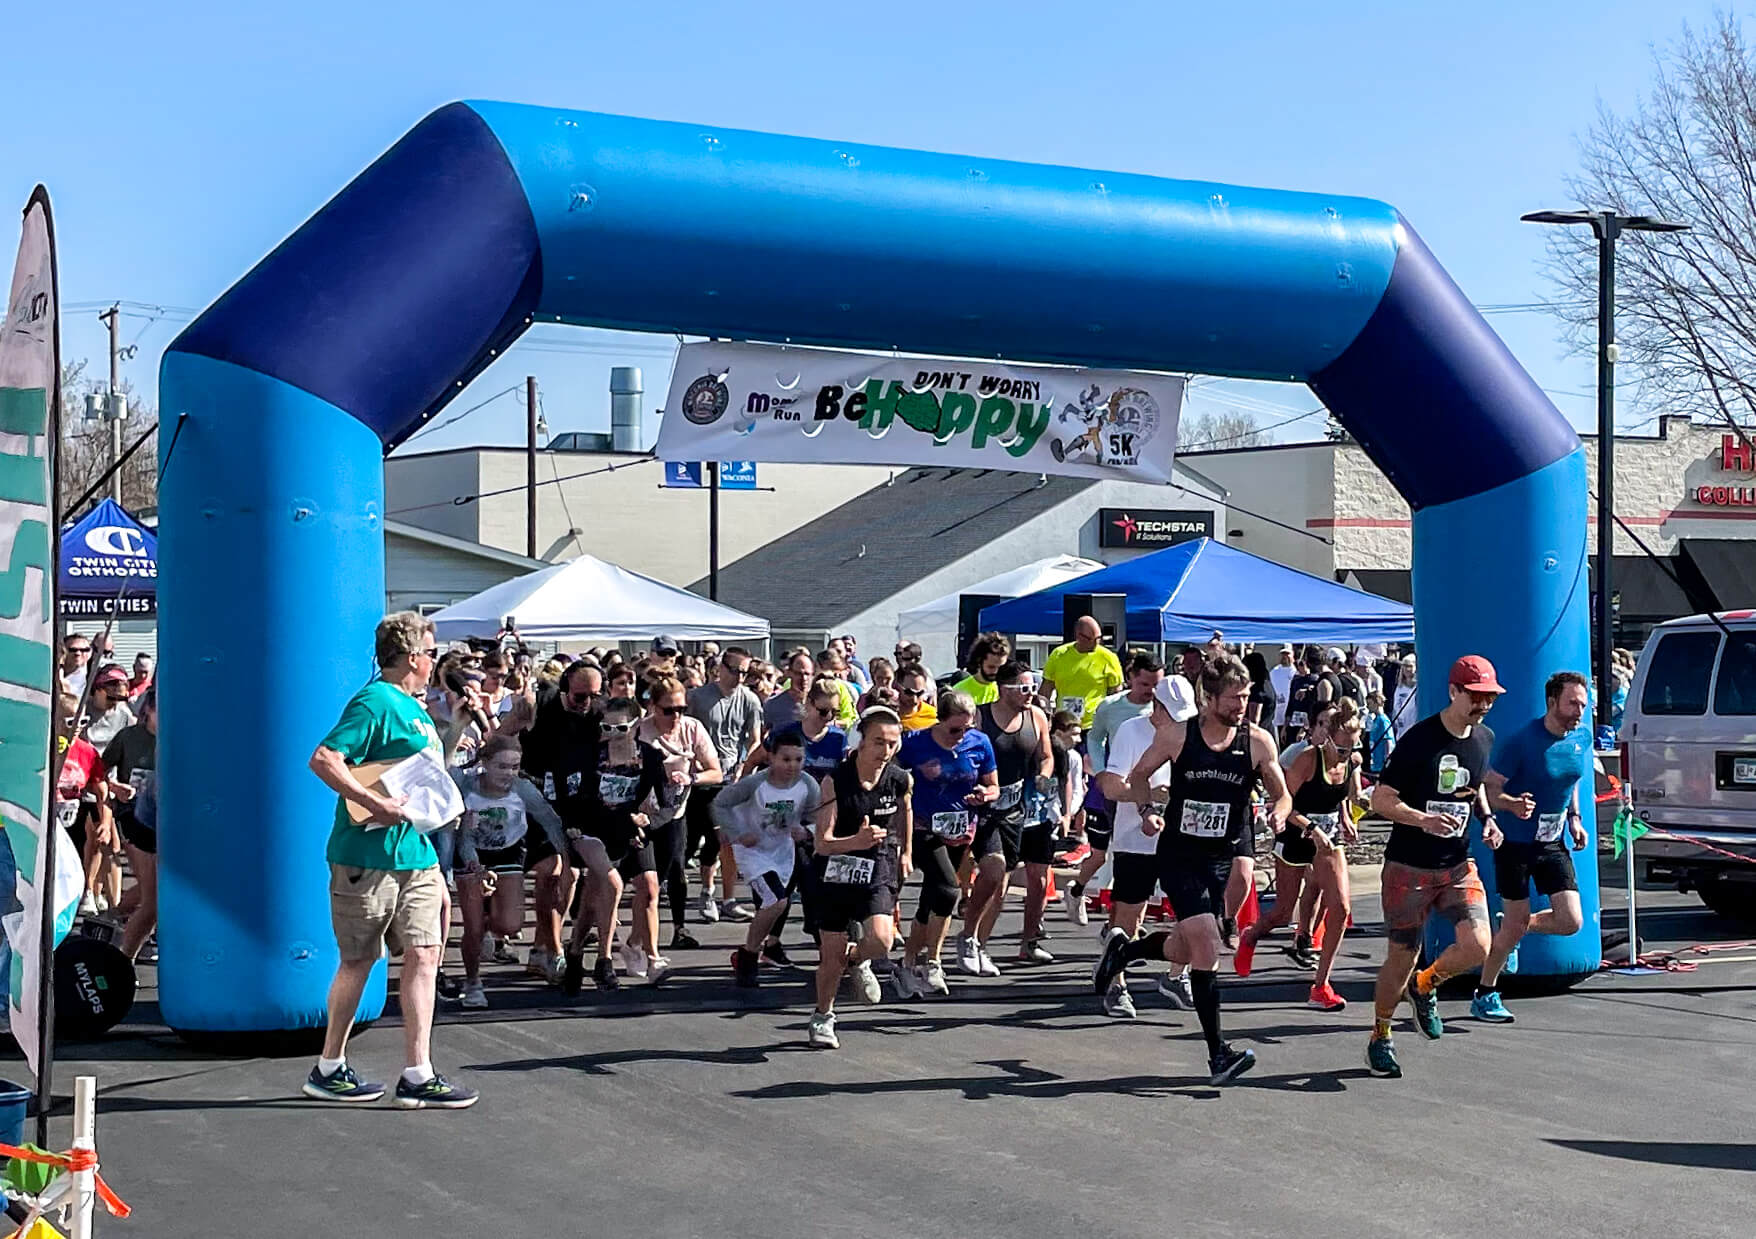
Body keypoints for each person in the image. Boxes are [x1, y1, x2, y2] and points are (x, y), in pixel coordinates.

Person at [303, 611, 476, 1108]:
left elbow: (417, 772)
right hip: (366, 855)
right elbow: (325, 757)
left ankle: (419, 1072)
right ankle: (329, 1065)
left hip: (414, 853)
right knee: (358, 960)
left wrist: (455, 731)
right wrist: (374, 802)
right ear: (414, 657)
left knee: (425, 954)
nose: (436, 663)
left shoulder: (414, 707)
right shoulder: (375, 700)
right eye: (431, 653)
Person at [1095, 655, 1291, 1085]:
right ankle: (1218, 1054)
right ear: (1208, 698)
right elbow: (1140, 773)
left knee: (1185, 949)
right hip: (1179, 854)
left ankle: (1124, 951)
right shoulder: (1177, 736)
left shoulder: (1257, 741)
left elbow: (1282, 792)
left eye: (1245, 697)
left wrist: (1279, 811)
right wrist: (1146, 810)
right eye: (1233, 698)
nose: (1241, 705)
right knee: (1206, 945)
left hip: (1219, 857)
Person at [1364, 655, 1506, 1080]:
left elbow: (1473, 787)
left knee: (1479, 946)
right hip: (1409, 869)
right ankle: (1380, 1035)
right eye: (1476, 697)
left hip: (1458, 865)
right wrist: (1422, 819)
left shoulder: (1484, 738)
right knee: (1399, 958)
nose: (1483, 706)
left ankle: (1426, 985)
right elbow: (1380, 800)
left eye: (1489, 698)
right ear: (1453, 692)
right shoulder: (1419, 741)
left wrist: (1489, 820)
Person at [1471, 671, 1591, 1024]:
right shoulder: (1521, 741)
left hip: (1552, 841)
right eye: (1572, 703)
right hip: (1516, 845)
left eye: (1583, 704)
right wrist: (1510, 805)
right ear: (1552, 702)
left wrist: (1575, 817)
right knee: (1512, 928)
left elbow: (1573, 780)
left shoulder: (1580, 737)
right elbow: (1489, 789)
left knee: (1571, 921)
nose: (1578, 711)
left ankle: (1516, 925)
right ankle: (1485, 993)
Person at [1237, 700, 1366, 1011]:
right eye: (1343, 749)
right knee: (1283, 911)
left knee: (1340, 907)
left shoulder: (1353, 761)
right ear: (1329, 739)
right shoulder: (1308, 759)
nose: (1347, 755)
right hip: (1297, 835)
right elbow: (1284, 803)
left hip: (1328, 841)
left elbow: (1349, 796)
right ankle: (1251, 936)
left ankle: (1320, 985)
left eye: (1352, 749)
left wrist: (1351, 814)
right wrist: (1311, 828)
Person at [1092, 675, 1196, 1019]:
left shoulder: (1191, 734)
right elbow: (1112, 786)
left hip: (1181, 838)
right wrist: (1150, 800)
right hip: (1135, 839)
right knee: (1129, 915)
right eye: (1174, 712)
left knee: (1192, 911)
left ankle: (1177, 976)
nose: (1180, 720)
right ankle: (1117, 984)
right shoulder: (1132, 731)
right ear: (1158, 706)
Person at [808, 705, 912, 1049]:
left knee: (883, 941)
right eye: (879, 742)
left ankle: (858, 960)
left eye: (892, 743)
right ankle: (823, 1016)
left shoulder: (898, 778)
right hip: (835, 870)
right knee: (830, 955)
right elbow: (822, 844)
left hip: (877, 866)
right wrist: (855, 841)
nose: (886, 751)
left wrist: (907, 852)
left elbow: (906, 810)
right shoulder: (835, 781)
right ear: (861, 743)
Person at [451, 734, 570, 1007]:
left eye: (514, 767)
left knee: (510, 924)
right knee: (472, 926)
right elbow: (465, 839)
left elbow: (552, 824)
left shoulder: (522, 789)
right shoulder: (468, 788)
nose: (509, 773)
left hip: (508, 852)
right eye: (502, 766)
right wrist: (476, 868)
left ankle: (490, 927)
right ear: (485, 763)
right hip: (473, 855)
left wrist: (564, 862)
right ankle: (473, 982)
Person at [895, 691, 998, 995]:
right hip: (924, 828)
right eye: (955, 729)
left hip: (960, 830)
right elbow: (890, 779)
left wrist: (984, 795)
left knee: (932, 900)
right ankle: (934, 961)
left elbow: (993, 785)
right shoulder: (914, 743)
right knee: (948, 888)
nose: (961, 736)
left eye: (967, 729)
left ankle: (908, 964)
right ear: (939, 721)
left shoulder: (979, 743)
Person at [566, 696, 666, 988]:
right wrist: (625, 817)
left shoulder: (650, 756)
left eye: (619, 729)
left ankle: (578, 950)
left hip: (630, 831)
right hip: (593, 830)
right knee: (607, 886)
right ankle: (602, 958)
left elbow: (662, 802)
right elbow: (581, 802)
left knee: (643, 886)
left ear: (635, 726)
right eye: (606, 729)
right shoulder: (590, 755)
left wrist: (649, 818)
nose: (611, 735)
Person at [1064, 652, 1164, 927]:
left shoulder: (1166, 708)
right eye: (1145, 685)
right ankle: (1078, 889)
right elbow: (1095, 738)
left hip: (1153, 790)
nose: (1151, 692)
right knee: (1104, 853)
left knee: (1142, 857)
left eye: (1157, 684)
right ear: (1131, 678)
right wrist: (1101, 770)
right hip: (1118, 787)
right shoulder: (1110, 707)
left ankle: (1125, 927)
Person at [714, 731, 822, 987]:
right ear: (771, 758)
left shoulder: (807, 785)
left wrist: (806, 831)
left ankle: (748, 951)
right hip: (753, 853)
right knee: (776, 902)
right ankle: (750, 957)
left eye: (798, 759)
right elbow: (720, 804)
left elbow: (819, 816)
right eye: (785, 759)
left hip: (782, 852)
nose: (792, 766)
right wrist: (738, 833)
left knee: (776, 905)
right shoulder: (755, 784)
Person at [518, 660, 602, 983]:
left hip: (576, 801)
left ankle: (543, 945)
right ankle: (554, 950)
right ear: (566, 688)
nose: (588, 703)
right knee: (552, 871)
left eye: (594, 695)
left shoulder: (597, 713)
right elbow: (503, 734)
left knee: (572, 875)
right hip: (538, 797)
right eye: (581, 696)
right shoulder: (543, 704)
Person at [966, 664, 1053, 967]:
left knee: (1038, 878)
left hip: (1024, 806)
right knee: (997, 878)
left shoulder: (1036, 716)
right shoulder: (981, 717)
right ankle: (976, 942)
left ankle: (1027, 942)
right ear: (1005, 689)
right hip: (987, 808)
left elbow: (1046, 756)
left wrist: (1044, 775)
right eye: (1024, 689)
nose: (1031, 694)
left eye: (1033, 688)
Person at [641, 676, 724, 952]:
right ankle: (632, 934)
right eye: (668, 710)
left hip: (674, 811)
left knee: (675, 867)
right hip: (643, 812)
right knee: (643, 878)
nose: (676, 716)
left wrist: (692, 778)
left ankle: (679, 928)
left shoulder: (692, 729)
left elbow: (716, 771)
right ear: (653, 707)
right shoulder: (640, 732)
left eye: (681, 709)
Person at [686, 646, 764, 924]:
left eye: (745, 672)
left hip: (732, 778)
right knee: (702, 838)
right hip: (703, 777)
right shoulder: (698, 697)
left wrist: (746, 767)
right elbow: (684, 729)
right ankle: (705, 889)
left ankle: (726, 897)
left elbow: (754, 739)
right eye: (735, 671)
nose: (740, 677)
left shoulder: (750, 700)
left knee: (726, 839)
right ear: (721, 668)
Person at [101, 686, 158, 960]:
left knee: (158, 889)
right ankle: (125, 960)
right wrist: (114, 786)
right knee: (153, 903)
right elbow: (95, 773)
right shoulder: (129, 738)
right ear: (148, 709)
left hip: (167, 825)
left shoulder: (181, 739)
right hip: (134, 822)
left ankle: (110, 918)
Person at [1041, 616, 1124, 729]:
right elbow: (1045, 690)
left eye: (1098, 638)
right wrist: (1044, 717)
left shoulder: (1109, 657)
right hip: (1064, 723)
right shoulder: (1059, 655)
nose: (1096, 643)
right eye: (1091, 639)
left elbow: (1116, 694)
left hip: (1095, 724)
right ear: (1078, 636)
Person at [764, 650, 816, 734]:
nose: (804, 678)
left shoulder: (821, 704)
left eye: (807, 674)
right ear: (789, 673)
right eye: (798, 674)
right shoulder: (773, 705)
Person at [84, 664, 136, 748]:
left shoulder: (124, 714)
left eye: (120, 698)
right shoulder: (82, 711)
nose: (115, 702)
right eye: (111, 698)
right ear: (98, 689)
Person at [952, 632, 1010, 707]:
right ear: (979, 661)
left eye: (1001, 667)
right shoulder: (959, 691)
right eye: (991, 667)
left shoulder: (1008, 690)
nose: (996, 671)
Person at [1282, 650, 1320, 750]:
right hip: (1293, 724)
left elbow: (1313, 706)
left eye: (1302, 664)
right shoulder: (1295, 681)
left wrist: (1305, 729)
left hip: (1306, 726)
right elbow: (1290, 704)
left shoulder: (1315, 679)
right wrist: (1285, 727)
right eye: (1298, 664)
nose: (1300, 667)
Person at [894, 663, 938, 731]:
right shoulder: (890, 717)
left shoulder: (935, 715)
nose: (914, 700)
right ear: (897, 687)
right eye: (909, 692)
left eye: (920, 693)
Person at [1243, 651, 1277, 730]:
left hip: (1258, 735)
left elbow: (1254, 720)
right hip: (1268, 731)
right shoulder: (1268, 684)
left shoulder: (1257, 690)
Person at [1364, 691, 1395, 777]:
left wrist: (1387, 759)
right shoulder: (1375, 720)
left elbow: (1388, 740)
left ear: (1376, 703)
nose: (1367, 706)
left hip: (1382, 763)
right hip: (1376, 761)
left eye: (1369, 703)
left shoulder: (1383, 720)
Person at [1390, 654, 1419, 741]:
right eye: (1405, 666)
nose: (1407, 669)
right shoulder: (1399, 687)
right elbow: (1396, 705)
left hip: (1414, 725)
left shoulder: (1418, 687)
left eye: (1410, 666)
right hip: (1401, 727)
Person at [1269, 645, 1296, 736]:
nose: (1285, 656)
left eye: (1287, 654)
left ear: (1293, 655)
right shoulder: (1274, 671)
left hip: (1291, 717)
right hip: (1277, 716)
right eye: (1283, 654)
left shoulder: (1296, 671)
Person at [60, 633, 93, 700]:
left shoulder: (92, 676)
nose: (78, 653)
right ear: (62, 651)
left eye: (84, 650)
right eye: (73, 650)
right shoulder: (51, 670)